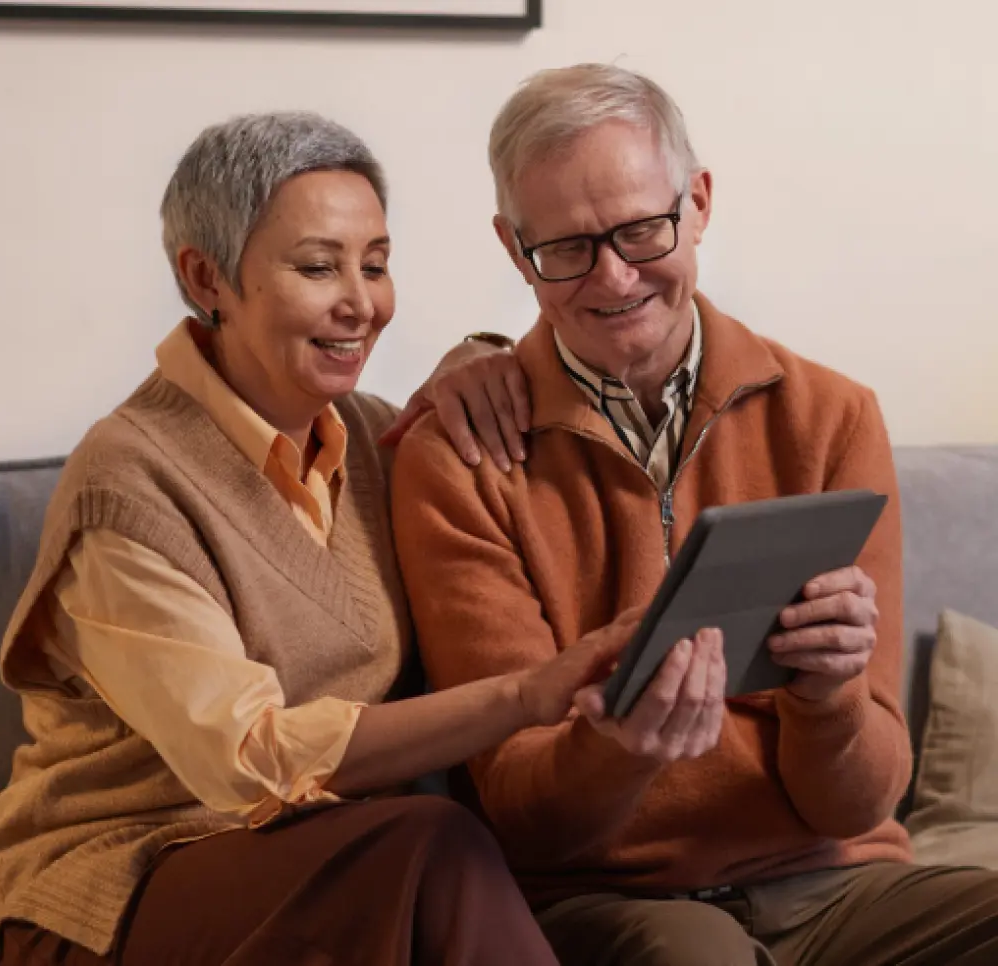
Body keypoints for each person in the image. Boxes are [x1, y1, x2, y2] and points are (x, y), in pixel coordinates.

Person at [0, 111, 639, 966]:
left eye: (375, 265)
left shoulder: (382, 441)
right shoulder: (126, 482)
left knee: (430, 857)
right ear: (206, 277)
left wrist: (488, 354)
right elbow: (248, 758)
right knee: (434, 845)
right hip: (105, 891)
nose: (362, 303)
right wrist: (527, 696)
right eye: (318, 267)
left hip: (343, 869)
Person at [390, 63, 998, 965]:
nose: (614, 276)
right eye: (567, 248)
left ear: (699, 202)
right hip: (608, 900)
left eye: (643, 229)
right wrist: (620, 749)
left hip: (833, 882)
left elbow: (861, 804)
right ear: (515, 250)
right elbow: (524, 814)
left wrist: (829, 699)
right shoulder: (459, 459)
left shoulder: (833, 418)